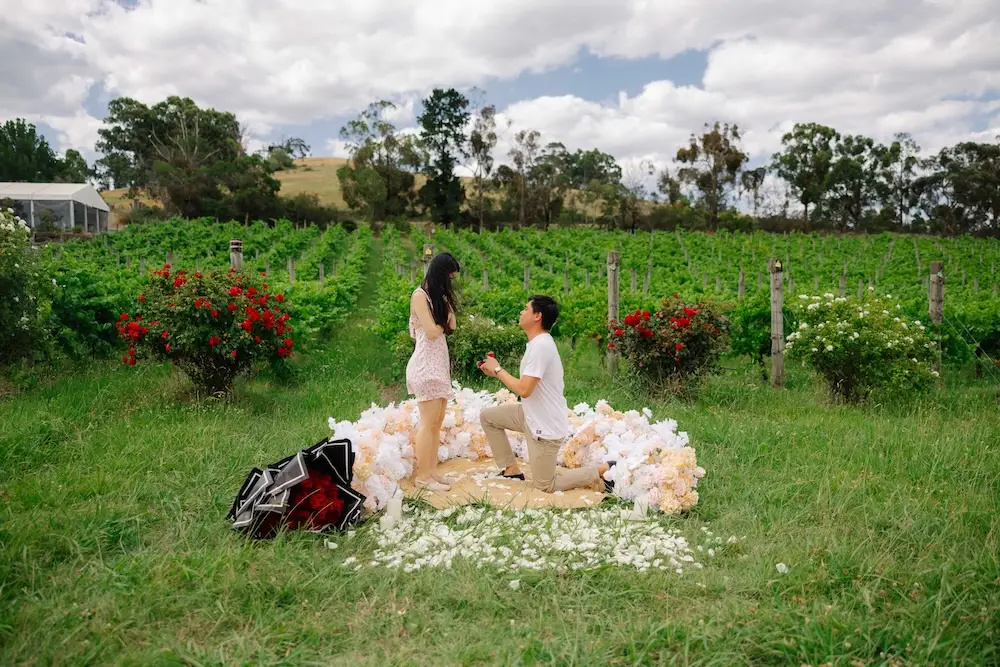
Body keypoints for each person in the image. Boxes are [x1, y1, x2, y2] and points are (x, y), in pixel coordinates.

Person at [478, 295, 615, 494]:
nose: (521, 312)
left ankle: (601, 470)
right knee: (488, 417)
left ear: (537, 316)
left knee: (545, 485)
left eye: (525, 309)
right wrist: (494, 371)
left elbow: (525, 389)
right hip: (530, 414)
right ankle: (511, 470)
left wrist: (498, 370)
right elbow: (526, 387)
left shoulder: (541, 346)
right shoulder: (537, 344)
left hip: (544, 424)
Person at [406, 252, 460, 492]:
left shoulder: (438, 298)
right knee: (428, 424)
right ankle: (422, 477)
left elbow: (452, 326)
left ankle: (432, 471)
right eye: (450, 276)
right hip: (426, 366)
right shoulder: (420, 296)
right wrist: (442, 320)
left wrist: (446, 303)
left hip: (439, 366)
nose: (452, 281)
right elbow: (432, 331)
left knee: (437, 423)